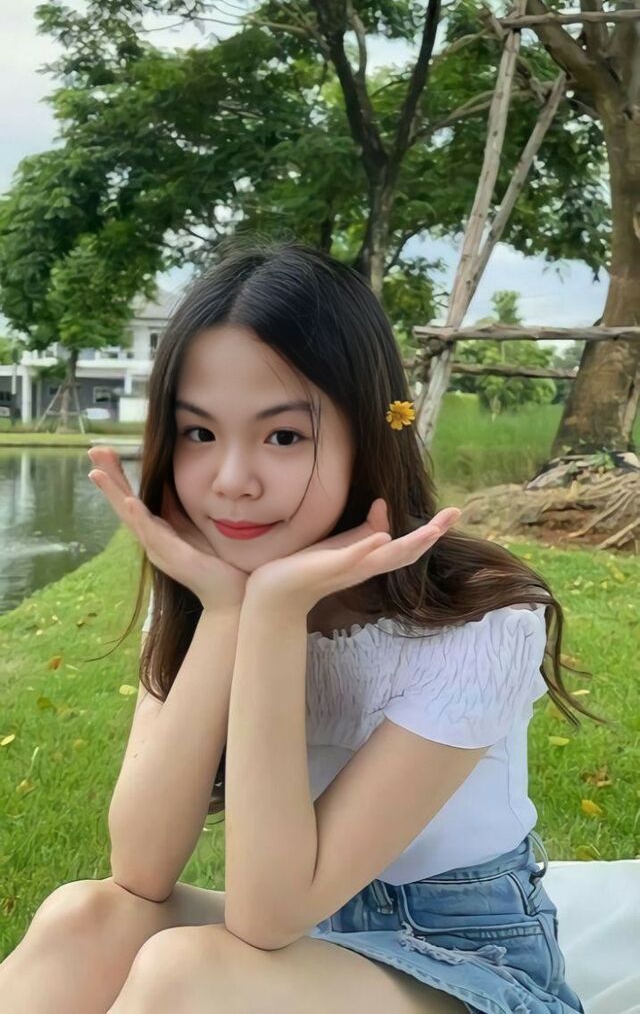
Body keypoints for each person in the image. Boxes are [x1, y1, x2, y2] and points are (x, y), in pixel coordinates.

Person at [0, 239, 599, 1013]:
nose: (232, 481)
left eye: (283, 436)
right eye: (199, 433)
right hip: (314, 941)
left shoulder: (479, 620)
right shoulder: (209, 593)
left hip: (473, 959)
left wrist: (275, 613)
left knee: (185, 974)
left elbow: (267, 915)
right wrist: (228, 612)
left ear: (369, 436)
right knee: (85, 919)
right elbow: (141, 866)